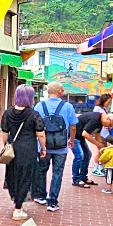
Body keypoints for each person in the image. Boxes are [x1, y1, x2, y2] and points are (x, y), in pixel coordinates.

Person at [1, 84, 46, 221]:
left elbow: (5, 132)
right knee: (26, 176)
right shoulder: (33, 115)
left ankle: (17, 201)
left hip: (13, 149)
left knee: (14, 175)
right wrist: (43, 148)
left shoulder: (8, 112)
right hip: (28, 150)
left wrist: (6, 146)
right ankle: (18, 209)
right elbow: (41, 134)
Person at [35, 81, 78, 212]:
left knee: (41, 170)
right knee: (57, 172)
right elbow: (73, 126)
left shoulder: (39, 106)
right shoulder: (67, 106)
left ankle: (41, 195)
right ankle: (52, 201)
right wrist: (71, 140)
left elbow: (34, 126)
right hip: (61, 146)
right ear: (60, 91)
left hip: (43, 146)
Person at [73, 104, 105, 188]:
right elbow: (85, 134)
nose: (109, 126)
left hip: (79, 136)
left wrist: (101, 147)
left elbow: (98, 134)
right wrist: (97, 144)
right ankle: (76, 179)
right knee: (79, 156)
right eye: (110, 124)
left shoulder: (100, 121)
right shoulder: (94, 119)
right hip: (73, 136)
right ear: (107, 119)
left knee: (87, 154)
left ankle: (83, 177)